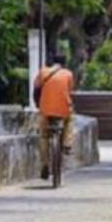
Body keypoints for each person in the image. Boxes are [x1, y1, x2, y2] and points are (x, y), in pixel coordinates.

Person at [33, 52, 75, 181]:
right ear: (64, 63)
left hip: (45, 109)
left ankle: (45, 164)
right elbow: (69, 92)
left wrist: (38, 105)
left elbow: (35, 90)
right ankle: (67, 143)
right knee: (70, 120)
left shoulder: (43, 72)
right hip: (63, 109)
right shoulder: (68, 74)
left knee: (44, 136)